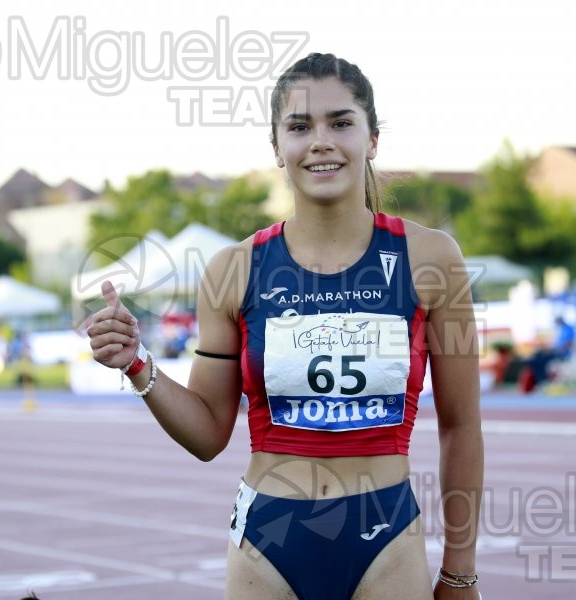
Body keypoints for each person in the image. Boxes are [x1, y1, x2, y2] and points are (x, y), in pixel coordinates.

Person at [88, 52, 483, 600]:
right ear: (277, 147)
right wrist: (136, 364)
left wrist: (459, 573)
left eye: (341, 122)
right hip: (269, 542)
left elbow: (460, 427)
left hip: (386, 537)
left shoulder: (432, 259)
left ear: (372, 138)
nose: (321, 141)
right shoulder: (233, 270)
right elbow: (207, 434)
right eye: (299, 127)